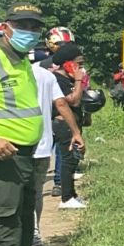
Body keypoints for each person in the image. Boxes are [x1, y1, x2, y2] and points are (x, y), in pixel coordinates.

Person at [0, 3, 52, 246]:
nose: (29, 31)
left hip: (25, 158)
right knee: (8, 234)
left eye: (34, 26)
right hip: (4, 160)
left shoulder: (22, 62)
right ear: (6, 26)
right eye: (23, 25)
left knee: (21, 232)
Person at [28, 39, 82, 246]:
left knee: (28, 194)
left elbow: (62, 104)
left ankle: (32, 239)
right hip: (33, 143)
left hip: (33, 143)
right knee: (31, 193)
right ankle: (32, 238)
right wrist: (76, 132)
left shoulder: (41, 75)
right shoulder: (48, 76)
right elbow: (66, 103)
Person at [42, 47, 87, 209]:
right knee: (67, 160)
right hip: (63, 125)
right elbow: (73, 100)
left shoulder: (65, 79)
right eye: (78, 65)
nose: (81, 69)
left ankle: (72, 194)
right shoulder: (58, 80)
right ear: (67, 64)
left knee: (73, 158)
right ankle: (66, 197)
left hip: (71, 124)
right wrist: (78, 81)